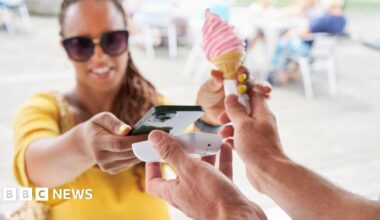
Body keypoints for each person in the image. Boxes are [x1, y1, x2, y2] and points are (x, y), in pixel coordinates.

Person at [11, 0, 264, 219]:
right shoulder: (43, 107)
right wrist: (81, 145)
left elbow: (196, 147)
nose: (99, 56)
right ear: (64, 48)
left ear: (128, 36)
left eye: (112, 40)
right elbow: (33, 167)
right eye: (81, 45)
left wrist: (209, 116)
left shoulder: (155, 105)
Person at [145, 89, 380, 219]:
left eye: (117, 40)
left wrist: (224, 212)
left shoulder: (154, 100)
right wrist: (267, 163)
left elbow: (191, 144)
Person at [267, 0, 346, 85]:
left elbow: (306, 30)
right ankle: (289, 72)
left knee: (284, 41)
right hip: (326, 52)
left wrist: (290, 34)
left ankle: (276, 71)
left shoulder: (325, 19)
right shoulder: (342, 19)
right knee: (290, 42)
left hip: (310, 51)